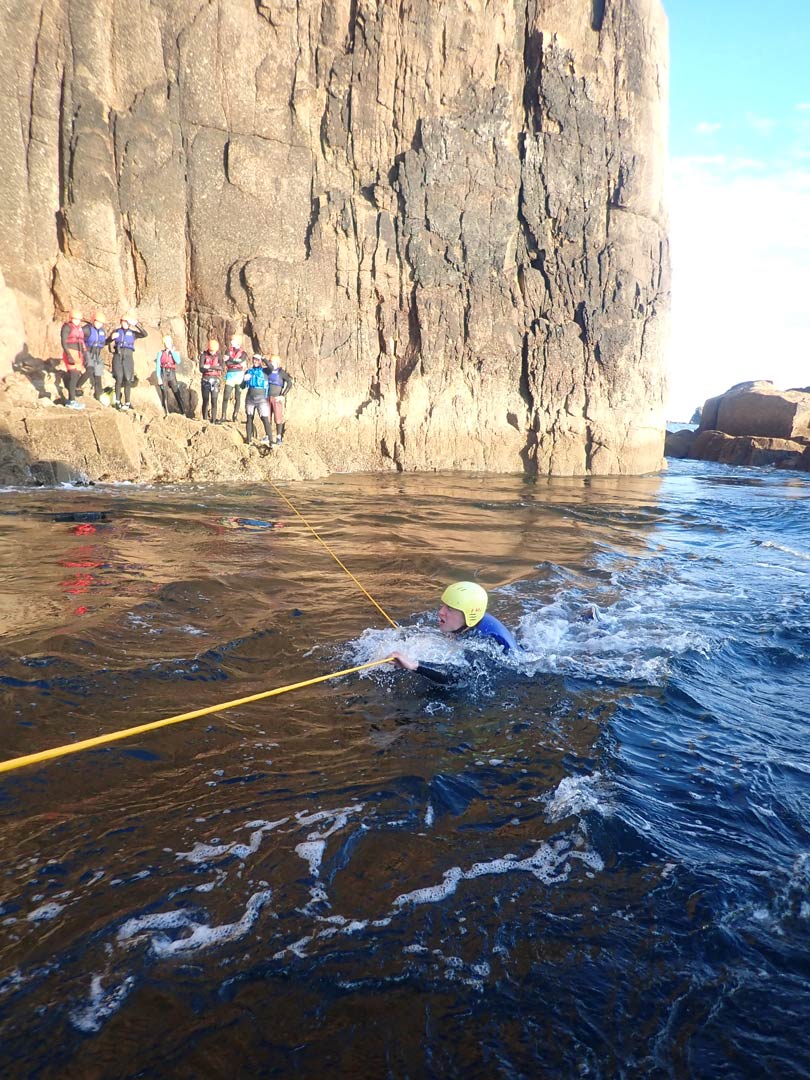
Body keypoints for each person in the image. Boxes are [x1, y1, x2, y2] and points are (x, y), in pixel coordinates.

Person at [391, 582, 517, 684]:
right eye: (444, 605)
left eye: (450, 608)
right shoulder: (468, 623)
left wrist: (414, 665)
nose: (441, 612)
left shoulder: (484, 640)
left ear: (468, 615)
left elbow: (460, 675)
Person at [109, 312, 147, 410]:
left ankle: (127, 402)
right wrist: (111, 337)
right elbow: (106, 341)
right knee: (119, 378)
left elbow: (144, 334)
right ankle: (117, 401)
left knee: (128, 379)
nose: (124, 324)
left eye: (126, 322)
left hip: (128, 357)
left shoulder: (133, 333)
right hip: (118, 355)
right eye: (123, 322)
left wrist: (136, 324)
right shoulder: (116, 331)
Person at [241, 353, 275, 447]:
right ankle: (248, 440)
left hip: (261, 399)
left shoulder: (265, 371)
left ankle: (271, 441)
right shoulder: (249, 371)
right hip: (250, 398)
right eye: (254, 360)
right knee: (249, 418)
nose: (255, 361)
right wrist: (244, 380)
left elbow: (271, 368)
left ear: (260, 361)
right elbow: (242, 386)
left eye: (257, 360)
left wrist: (263, 358)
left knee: (264, 419)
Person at [60, 309, 88, 409]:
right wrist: (68, 355)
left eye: (78, 319)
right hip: (70, 353)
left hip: (78, 354)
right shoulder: (67, 327)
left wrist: (85, 354)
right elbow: (63, 342)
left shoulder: (79, 329)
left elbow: (82, 343)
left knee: (76, 376)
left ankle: (71, 399)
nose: (77, 321)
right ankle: (71, 401)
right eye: (75, 319)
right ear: (71, 319)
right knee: (73, 375)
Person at [155, 335, 187, 416]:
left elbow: (178, 361)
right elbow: (158, 365)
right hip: (164, 373)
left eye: (168, 343)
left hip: (172, 373)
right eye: (165, 343)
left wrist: (172, 352)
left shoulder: (175, 353)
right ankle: (166, 412)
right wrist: (159, 377)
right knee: (164, 393)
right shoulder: (160, 353)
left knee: (176, 392)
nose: (167, 344)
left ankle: (183, 412)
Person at [221, 334, 248, 422]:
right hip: (230, 375)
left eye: (233, 340)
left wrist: (231, 359)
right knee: (226, 395)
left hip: (239, 375)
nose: (231, 342)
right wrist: (235, 361)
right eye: (231, 340)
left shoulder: (243, 353)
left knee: (238, 396)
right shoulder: (228, 351)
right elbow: (227, 363)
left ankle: (235, 415)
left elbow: (241, 360)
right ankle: (223, 415)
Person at [81, 312, 108, 401]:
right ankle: (77, 386)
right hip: (87, 352)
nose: (99, 324)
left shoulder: (102, 332)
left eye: (101, 323)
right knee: (90, 369)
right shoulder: (87, 329)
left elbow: (104, 342)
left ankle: (98, 394)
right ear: (93, 321)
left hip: (97, 354)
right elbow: (77, 336)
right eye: (97, 322)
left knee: (98, 374)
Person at [266, 353, 293, 444]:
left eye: (272, 362)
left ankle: (278, 437)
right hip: (267, 397)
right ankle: (268, 436)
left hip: (276, 398)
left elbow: (289, 383)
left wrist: (283, 395)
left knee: (278, 418)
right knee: (267, 418)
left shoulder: (281, 372)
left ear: (277, 363)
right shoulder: (267, 371)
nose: (270, 363)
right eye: (270, 362)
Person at [199, 337, 222, 422]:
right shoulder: (204, 355)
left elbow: (221, 367)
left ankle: (214, 419)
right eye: (211, 350)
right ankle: (205, 418)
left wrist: (209, 367)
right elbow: (201, 368)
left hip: (215, 380)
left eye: (214, 350)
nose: (212, 352)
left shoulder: (218, 356)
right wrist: (213, 368)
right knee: (205, 400)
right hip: (206, 380)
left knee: (214, 400)